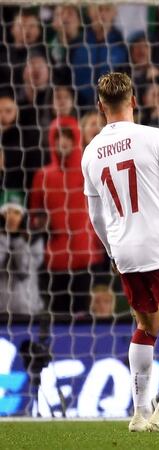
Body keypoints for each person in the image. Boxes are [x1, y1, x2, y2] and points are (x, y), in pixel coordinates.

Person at [82, 72, 159, 433]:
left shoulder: (91, 152)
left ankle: (139, 414)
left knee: (145, 325)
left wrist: (112, 250)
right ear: (134, 101)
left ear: (101, 106)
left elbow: (95, 214)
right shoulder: (153, 137)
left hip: (124, 250)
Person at [30, 117, 103, 314]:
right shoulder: (43, 176)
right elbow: (33, 215)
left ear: (75, 139)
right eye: (58, 137)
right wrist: (40, 223)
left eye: (67, 137)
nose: (62, 142)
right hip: (56, 259)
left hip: (86, 256)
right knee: (58, 317)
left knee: (85, 317)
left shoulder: (87, 168)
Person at [0, 191, 44, 315]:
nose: (12, 217)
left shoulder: (34, 240)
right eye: (7, 212)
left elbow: (24, 271)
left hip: (27, 310)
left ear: (24, 217)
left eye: (16, 213)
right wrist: (4, 238)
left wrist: (17, 238)